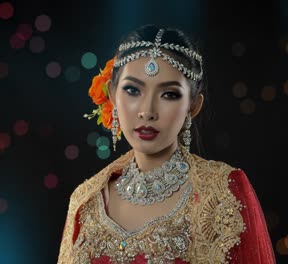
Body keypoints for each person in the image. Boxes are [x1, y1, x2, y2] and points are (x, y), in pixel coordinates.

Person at [57, 24, 276, 264]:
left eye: (169, 94)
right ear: (112, 95)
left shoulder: (223, 192)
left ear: (193, 106)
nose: (147, 111)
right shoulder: (85, 201)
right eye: (132, 90)